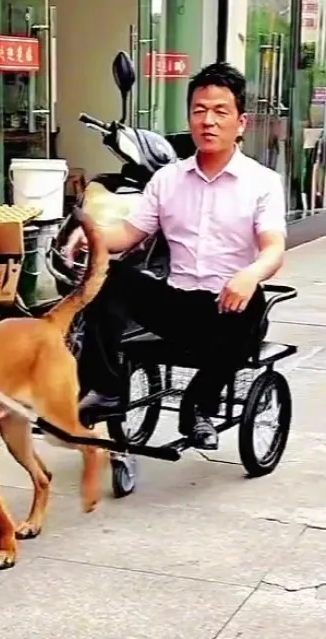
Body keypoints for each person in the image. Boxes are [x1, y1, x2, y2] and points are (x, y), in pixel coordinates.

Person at [65, 62, 287, 450]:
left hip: (231, 306)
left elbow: (273, 249)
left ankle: (199, 405)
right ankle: (105, 388)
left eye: (220, 111)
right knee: (109, 276)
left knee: (249, 304)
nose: (208, 121)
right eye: (200, 110)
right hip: (179, 304)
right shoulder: (168, 179)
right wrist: (90, 237)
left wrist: (251, 274)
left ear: (241, 122)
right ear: (190, 117)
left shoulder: (262, 182)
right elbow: (130, 235)